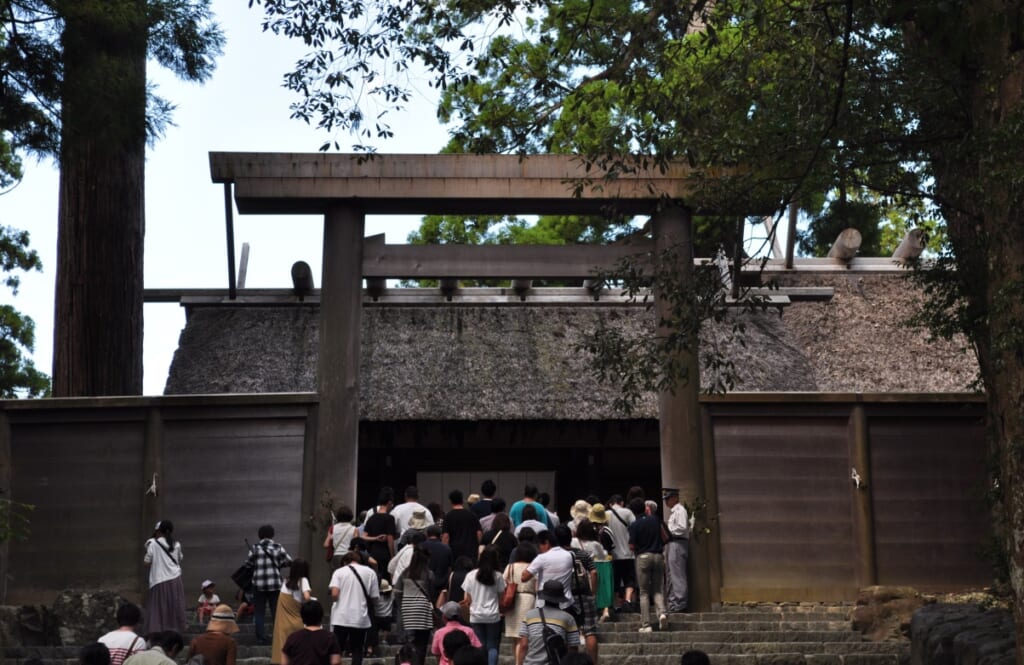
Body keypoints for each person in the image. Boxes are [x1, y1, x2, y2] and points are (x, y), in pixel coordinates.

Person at [246, 524, 293, 645]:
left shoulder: (255, 548)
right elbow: (289, 561)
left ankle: (261, 638)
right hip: (275, 584)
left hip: (258, 584)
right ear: (272, 534)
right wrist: (278, 564)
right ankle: (278, 636)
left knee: (259, 612)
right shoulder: (278, 547)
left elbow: (248, 564)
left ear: (260, 535)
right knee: (276, 611)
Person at [329, 551, 379, 665]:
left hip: (341, 617)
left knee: (337, 650)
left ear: (345, 562)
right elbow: (375, 597)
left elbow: (334, 594)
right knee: (357, 649)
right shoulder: (370, 572)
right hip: (360, 617)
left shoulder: (339, 572)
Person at [516, 581, 580, 665]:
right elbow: (573, 648)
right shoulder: (568, 618)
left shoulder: (529, 615)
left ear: (544, 596)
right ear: (560, 598)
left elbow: (524, 645)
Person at [461, 546, 506, 665]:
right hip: (493, 615)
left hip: (476, 614)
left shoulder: (471, 575)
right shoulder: (498, 576)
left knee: (480, 645)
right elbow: (501, 597)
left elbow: (467, 599)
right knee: (492, 645)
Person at [629, 498, 667, 633]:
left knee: (644, 592)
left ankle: (646, 625)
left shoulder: (634, 525)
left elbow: (631, 545)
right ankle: (662, 613)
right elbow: (665, 536)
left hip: (643, 557)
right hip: (658, 556)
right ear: (645, 508)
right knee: (657, 589)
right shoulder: (655, 519)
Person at [395, 544, 436, 665]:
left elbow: (397, 592)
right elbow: (432, 593)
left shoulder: (405, 573)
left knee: (410, 642)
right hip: (423, 610)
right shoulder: (429, 574)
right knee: (422, 643)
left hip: (408, 610)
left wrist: (402, 605)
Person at [143, 520, 186, 633]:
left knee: (158, 607)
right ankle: (175, 630)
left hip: (159, 580)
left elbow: (146, 562)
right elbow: (180, 558)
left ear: (159, 531)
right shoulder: (177, 544)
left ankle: (157, 631)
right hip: (175, 578)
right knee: (174, 605)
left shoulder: (153, 544)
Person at [502, 541, 537, 665]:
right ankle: (519, 662)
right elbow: (537, 587)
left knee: (515, 638)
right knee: (524, 637)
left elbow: (503, 583)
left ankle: (517, 661)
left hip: (512, 600)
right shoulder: (533, 567)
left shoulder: (510, 566)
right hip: (528, 600)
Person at [272, 559, 313, 664]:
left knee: (285, 653)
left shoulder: (285, 582)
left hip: (283, 624)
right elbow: (307, 597)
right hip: (297, 622)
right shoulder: (303, 580)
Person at [521, 530, 574, 610]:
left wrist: (533, 561)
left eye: (539, 545)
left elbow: (524, 577)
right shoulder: (569, 555)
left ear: (546, 543)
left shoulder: (542, 558)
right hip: (566, 603)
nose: (539, 549)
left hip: (544, 605)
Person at [604, 494, 637, 613]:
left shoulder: (606, 514)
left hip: (613, 554)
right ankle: (627, 600)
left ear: (611, 503)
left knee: (615, 580)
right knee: (629, 579)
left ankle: (616, 604)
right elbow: (635, 528)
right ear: (621, 502)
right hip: (628, 553)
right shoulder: (628, 512)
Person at [281, 601, 341, 665]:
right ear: (321, 617)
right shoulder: (330, 637)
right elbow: (335, 662)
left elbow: (284, 662)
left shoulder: (293, 637)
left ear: (302, 618)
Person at [662, 488, 690, 613]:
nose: (666, 501)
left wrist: (668, 532)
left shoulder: (680, 510)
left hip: (678, 542)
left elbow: (682, 527)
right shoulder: (674, 512)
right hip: (672, 542)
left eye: (668, 498)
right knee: (671, 573)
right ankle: (673, 603)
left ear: (675, 498)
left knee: (677, 573)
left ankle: (680, 602)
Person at [362, 488, 398, 579]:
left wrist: (375, 538)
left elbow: (363, 536)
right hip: (385, 554)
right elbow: (390, 540)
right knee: (385, 581)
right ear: (389, 502)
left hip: (372, 554)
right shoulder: (389, 518)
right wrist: (392, 556)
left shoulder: (372, 518)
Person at [443, 489, 483, 564]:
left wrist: (445, 552)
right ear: (462, 500)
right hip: (471, 552)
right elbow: (479, 534)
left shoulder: (448, 516)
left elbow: (446, 536)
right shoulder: (472, 515)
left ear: (451, 501)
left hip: (454, 553)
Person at [323, 505, 358, 570]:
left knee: (336, 575)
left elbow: (326, 545)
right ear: (350, 516)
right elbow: (356, 546)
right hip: (348, 557)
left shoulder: (332, 528)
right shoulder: (354, 529)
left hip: (336, 557)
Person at [423, 524, 453, 597]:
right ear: (440, 535)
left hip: (424, 584)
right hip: (441, 585)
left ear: (427, 534)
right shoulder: (446, 548)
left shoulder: (421, 547)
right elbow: (450, 568)